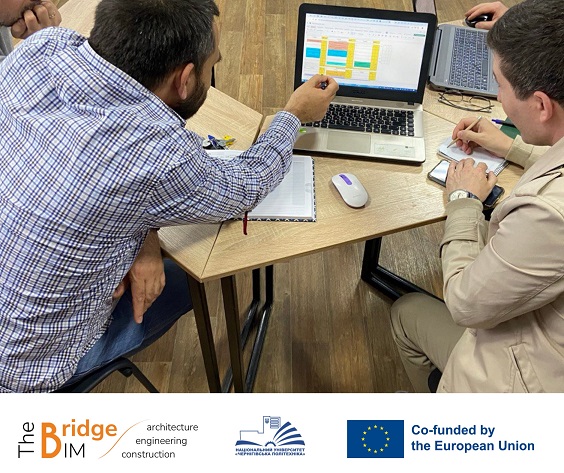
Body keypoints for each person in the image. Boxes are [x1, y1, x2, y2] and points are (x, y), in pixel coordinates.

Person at [0, 0, 338, 392]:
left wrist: (144, 236)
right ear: (186, 79)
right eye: (213, 64)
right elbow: (247, 183)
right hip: (26, 374)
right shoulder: (162, 156)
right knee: (190, 280)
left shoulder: (39, 50)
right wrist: (293, 114)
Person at [391, 0, 564, 392]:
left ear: (541, 105)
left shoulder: (547, 215)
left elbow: (464, 303)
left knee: (406, 312)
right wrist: (511, 146)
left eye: (499, 84)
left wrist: (463, 202)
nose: (499, 98)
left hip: (528, 380)